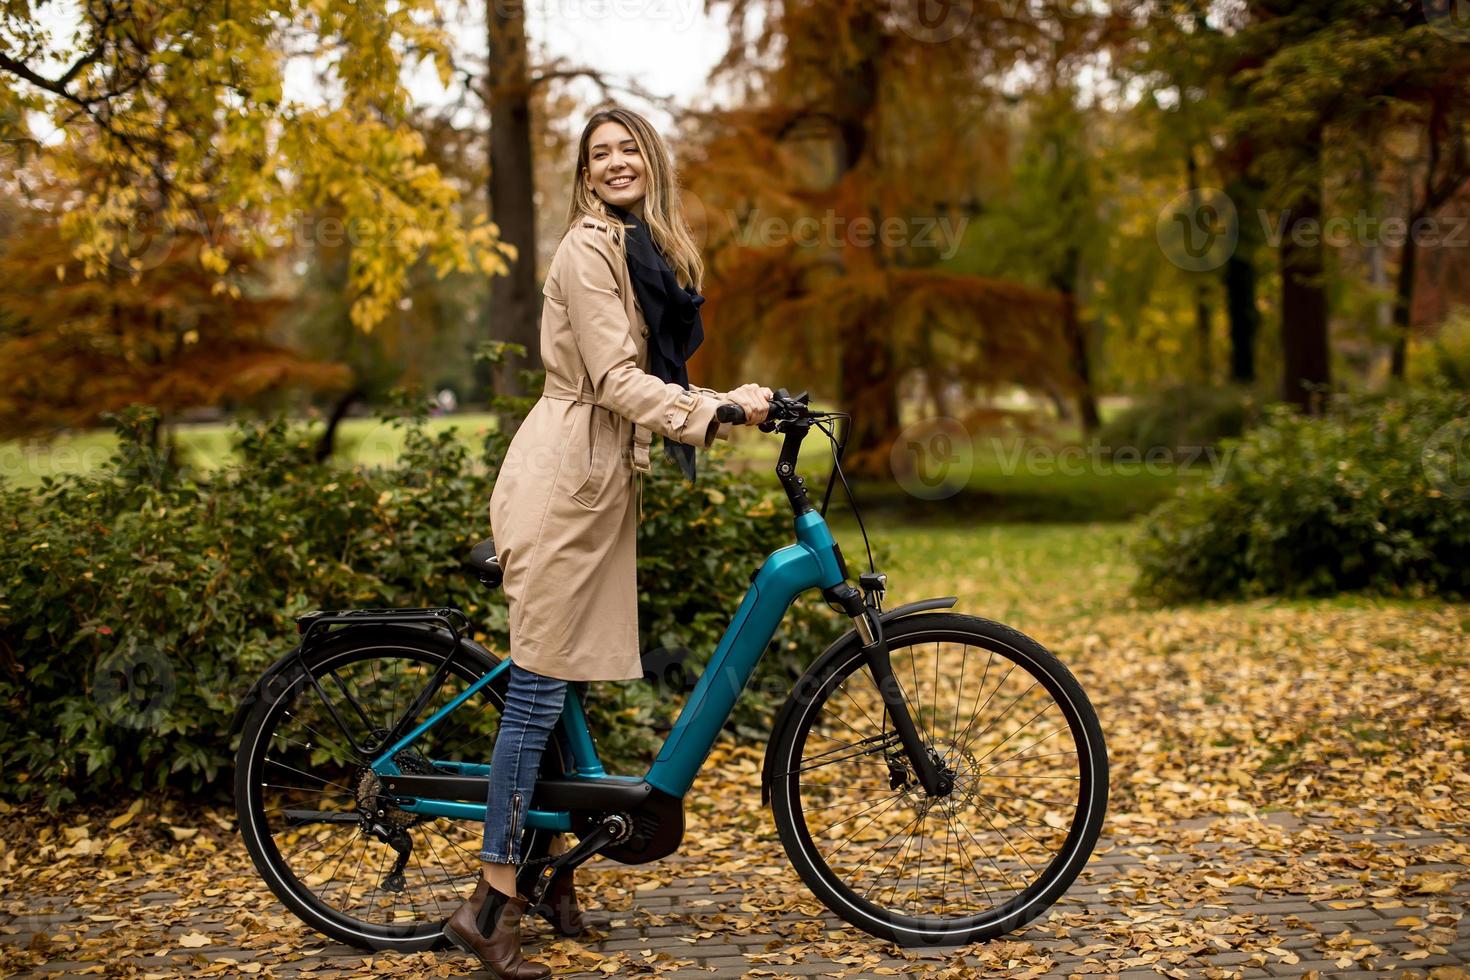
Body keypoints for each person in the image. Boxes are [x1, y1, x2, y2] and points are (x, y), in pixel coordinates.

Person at [441, 105, 773, 979]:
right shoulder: (587, 250)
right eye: (602, 154)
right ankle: (489, 904)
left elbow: (653, 368)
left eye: (630, 148)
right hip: (562, 488)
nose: (618, 162)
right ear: (585, 177)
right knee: (537, 691)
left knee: (557, 680)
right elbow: (619, 379)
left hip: (593, 489)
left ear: (650, 162)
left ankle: (551, 880)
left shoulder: (641, 247)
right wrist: (718, 410)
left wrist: (720, 395)